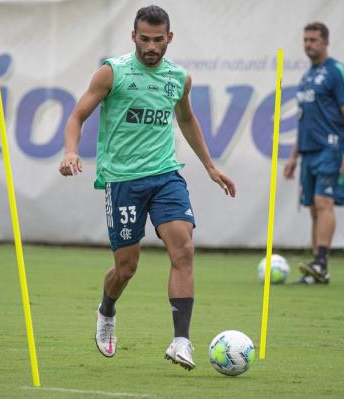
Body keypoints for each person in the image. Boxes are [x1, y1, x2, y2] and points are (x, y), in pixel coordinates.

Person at [58, 5, 235, 370]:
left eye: (158, 40)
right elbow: (77, 116)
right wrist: (71, 151)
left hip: (166, 175)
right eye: (144, 39)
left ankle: (182, 341)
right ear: (133, 36)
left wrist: (210, 166)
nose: (151, 46)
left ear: (170, 38)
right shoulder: (113, 73)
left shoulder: (178, 78)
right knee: (126, 268)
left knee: (183, 249)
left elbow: (186, 119)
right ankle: (106, 311)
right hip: (122, 181)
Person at [283, 22, 344, 285]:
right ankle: (316, 268)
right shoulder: (307, 77)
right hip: (308, 152)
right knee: (314, 208)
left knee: (324, 203)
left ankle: (321, 264)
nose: (308, 45)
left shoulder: (337, 72)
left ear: (326, 41)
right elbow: (303, 120)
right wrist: (294, 156)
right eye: (305, 40)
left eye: (314, 40)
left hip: (332, 148)